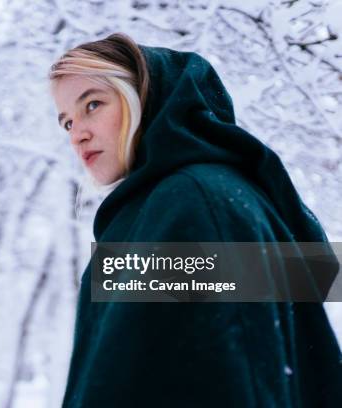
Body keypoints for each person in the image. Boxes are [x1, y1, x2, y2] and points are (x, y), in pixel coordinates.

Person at [49, 32, 342, 407]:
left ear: (143, 97)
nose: (78, 134)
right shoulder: (171, 202)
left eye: (92, 105)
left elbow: (225, 375)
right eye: (67, 123)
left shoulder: (192, 201)